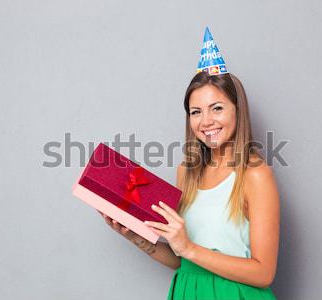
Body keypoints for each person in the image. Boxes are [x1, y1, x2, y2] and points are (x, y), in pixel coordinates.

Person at [100, 27, 279, 300]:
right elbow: (183, 258)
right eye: (196, 112)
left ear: (238, 110)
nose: (206, 121)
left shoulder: (254, 174)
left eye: (217, 108)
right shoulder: (187, 172)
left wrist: (188, 249)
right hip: (188, 291)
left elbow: (264, 272)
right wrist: (138, 238)